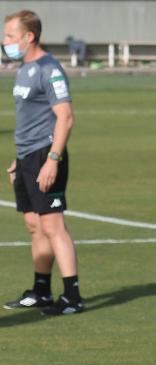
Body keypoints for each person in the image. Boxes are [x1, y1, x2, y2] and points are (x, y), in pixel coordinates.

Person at [3, 9, 82, 315]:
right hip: (27, 157)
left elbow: (66, 117)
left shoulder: (50, 69)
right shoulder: (24, 68)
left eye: (10, 35)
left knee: (53, 225)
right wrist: (19, 160)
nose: (5, 41)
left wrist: (52, 160)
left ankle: (72, 296)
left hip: (45, 155)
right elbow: (31, 119)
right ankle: (41, 290)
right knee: (34, 225)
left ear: (28, 36)